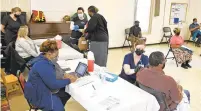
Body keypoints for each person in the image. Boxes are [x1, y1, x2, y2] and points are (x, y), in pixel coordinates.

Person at [24, 40, 77, 111]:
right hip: (38, 95)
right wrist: (69, 80)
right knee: (60, 106)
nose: (57, 57)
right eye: (56, 55)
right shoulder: (42, 64)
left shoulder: (43, 59)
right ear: (49, 53)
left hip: (40, 89)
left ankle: (59, 103)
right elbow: (53, 84)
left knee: (66, 92)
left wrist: (64, 75)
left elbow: (52, 75)